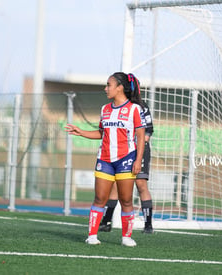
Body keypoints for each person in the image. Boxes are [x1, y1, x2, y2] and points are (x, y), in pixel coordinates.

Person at [65, 72, 146, 247]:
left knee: (125, 200)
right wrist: (81, 132)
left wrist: (138, 160)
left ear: (120, 88)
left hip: (126, 159)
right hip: (105, 159)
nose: (105, 88)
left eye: (109, 85)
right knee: (99, 198)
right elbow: (102, 133)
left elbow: (141, 136)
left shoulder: (134, 109)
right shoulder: (105, 109)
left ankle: (126, 237)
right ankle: (92, 236)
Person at [99, 101, 155, 234]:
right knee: (115, 185)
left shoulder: (141, 106)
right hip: (120, 150)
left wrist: (138, 148)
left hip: (138, 149)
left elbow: (148, 130)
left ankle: (148, 225)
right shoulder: (114, 106)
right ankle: (106, 221)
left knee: (141, 184)